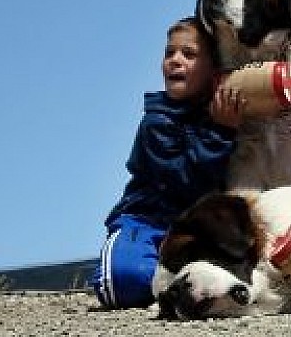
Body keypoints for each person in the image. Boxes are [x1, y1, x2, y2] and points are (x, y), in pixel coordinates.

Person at [91, 16, 245, 309]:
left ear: (215, 70)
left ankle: (180, 284)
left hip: (198, 232)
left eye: (189, 54)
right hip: (148, 222)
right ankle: (165, 281)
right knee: (123, 281)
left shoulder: (228, 117)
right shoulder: (157, 122)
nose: (175, 60)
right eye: (169, 52)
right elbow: (183, 182)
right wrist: (220, 134)